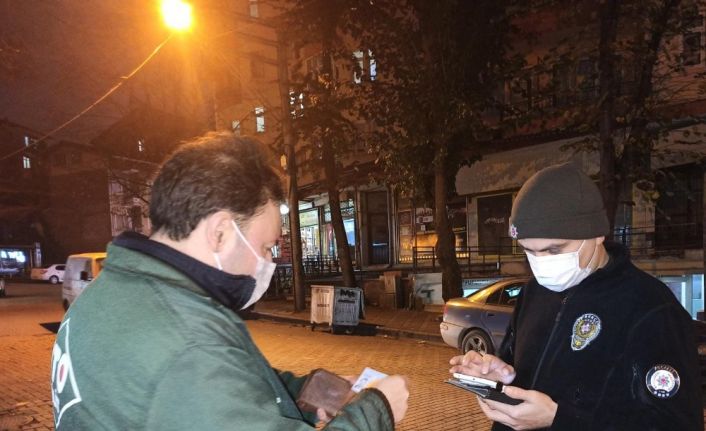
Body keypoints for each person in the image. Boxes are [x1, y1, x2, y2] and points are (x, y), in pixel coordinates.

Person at [50, 132, 408, 430]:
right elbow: (201, 375)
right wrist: (376, 411)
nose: (268, 262)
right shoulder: (190, 345)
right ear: (220, 232)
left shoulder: (109, 292)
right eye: (266, 247)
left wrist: (308, 392)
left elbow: (226, 388)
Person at [450, 162, 703, 430]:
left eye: (554, 250)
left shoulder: (651, 308)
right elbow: (526, 374)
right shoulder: (534, 292)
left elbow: (676, 424)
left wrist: (560, 419)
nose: (541, 263)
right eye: (529, 251)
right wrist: (501, 376)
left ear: (597, 234)